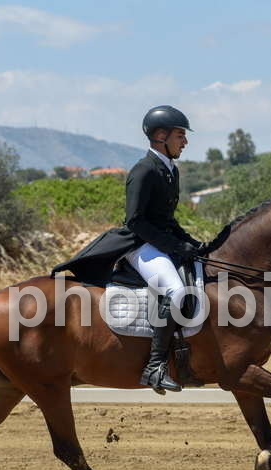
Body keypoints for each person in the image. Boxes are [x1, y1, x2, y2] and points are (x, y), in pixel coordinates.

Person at [51, 105, 205, 393]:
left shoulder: (170, 170)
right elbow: (136, 221)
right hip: (139, 245)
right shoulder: (144, 170)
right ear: (161, 136)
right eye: (180, 135)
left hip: (157, 242)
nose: (185, 142)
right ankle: (155, 367)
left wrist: (193, 244)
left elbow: (167, 220)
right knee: (175, 290)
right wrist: (174, 246)